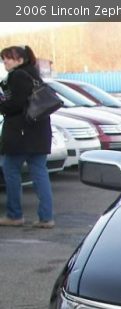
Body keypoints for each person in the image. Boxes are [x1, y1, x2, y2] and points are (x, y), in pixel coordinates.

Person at [0, 45, 55, 228]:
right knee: (40, 173)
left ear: (19, 60)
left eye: (7, 58)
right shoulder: (33, 74)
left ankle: (15, 215)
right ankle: (46, 217)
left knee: (10, 169)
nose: (4, 61)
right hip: (38, 134)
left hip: (20, 135)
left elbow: (14, 105)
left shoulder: (17, 76)